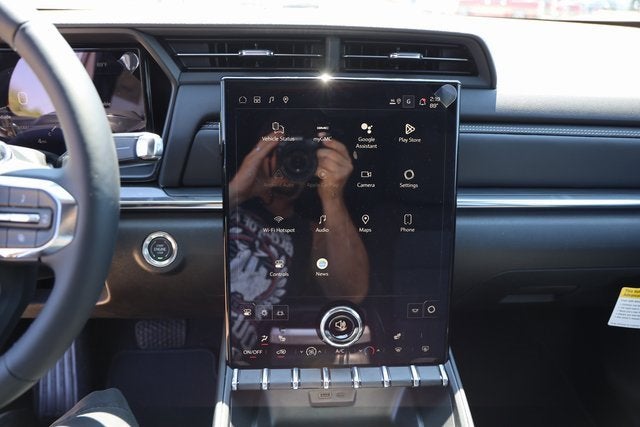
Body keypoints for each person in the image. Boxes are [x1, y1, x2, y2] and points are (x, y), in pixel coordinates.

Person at [228, 129, 369, 358]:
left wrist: (332, 195)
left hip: (249, 355)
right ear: (260, 155)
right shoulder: (232, 203)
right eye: (281, 153)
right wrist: (236, 192)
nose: (290, 162)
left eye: (301, 154)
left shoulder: (312, 232)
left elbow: (351, 293)